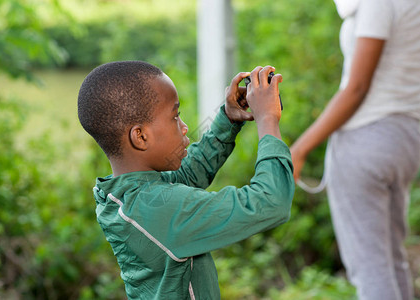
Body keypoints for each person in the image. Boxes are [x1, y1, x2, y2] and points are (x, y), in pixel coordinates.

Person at [77, 61, 294, 299]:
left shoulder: (129, 192)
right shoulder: (156, 208)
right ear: (140, 136)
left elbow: (188, 175)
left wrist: (229, 119)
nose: (184, 127)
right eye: (175, 117)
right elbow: (270, 203)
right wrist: (268, 120)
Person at [290, 0, 420, 299]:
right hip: (407, 137)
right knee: (393, 260)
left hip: (366, 140)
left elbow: (357, 88)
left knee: (371, 270)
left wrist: (300, 148)